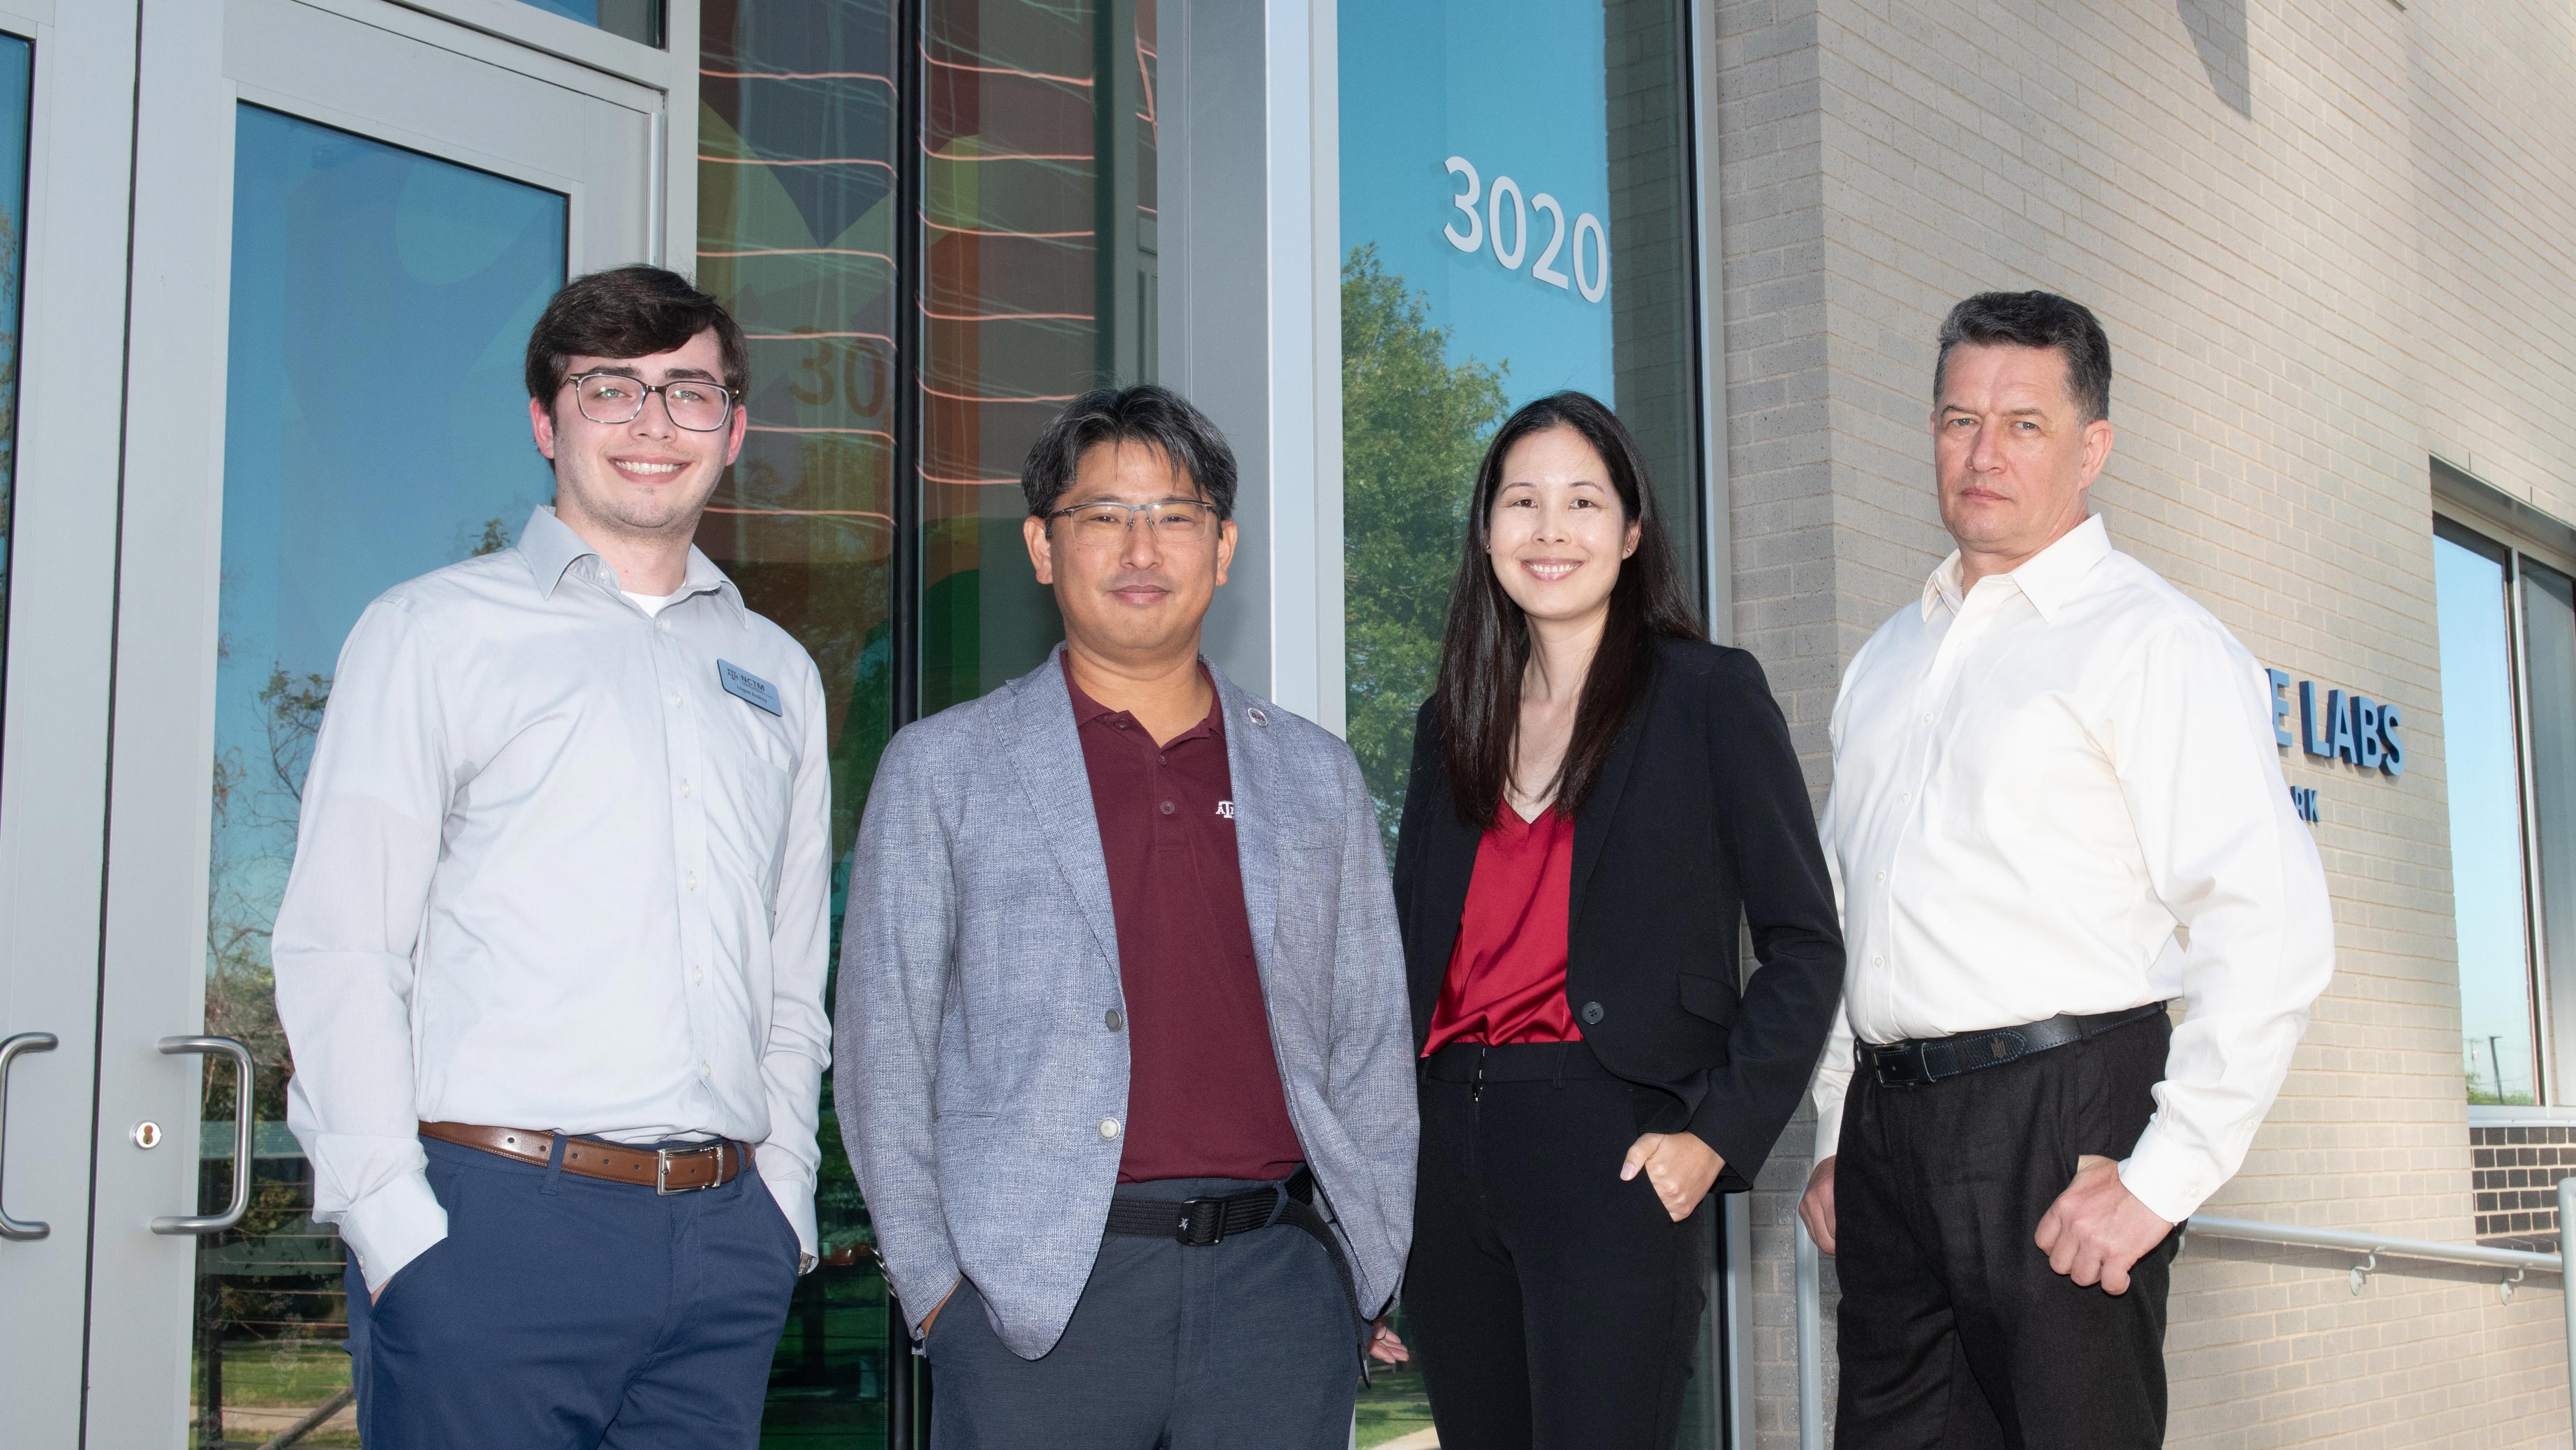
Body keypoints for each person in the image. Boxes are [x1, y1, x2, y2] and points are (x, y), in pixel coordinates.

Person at [272, 265, 831, 1448]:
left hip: (725, 1240)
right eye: (608, 388)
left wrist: (780, 1198)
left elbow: (789, 976)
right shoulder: (430, 632)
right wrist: (392, 1225)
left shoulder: (780, 674)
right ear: (545, 420)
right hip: (493, 1231)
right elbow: (342, 944)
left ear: (734, 428)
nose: (649, 423)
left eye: (687, 392)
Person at [1797, 291, 2335, 1447]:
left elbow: (2268, 925)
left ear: (2093, 446)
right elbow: (1854, 913)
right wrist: (1840, 1131)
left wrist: (2161, 1174)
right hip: (1889, 1132)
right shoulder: (1886, 659)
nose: (1981, 452)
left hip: (2062, 1114)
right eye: (1955, 419)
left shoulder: (2155, 643)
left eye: (2022, 423)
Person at [838, 383, 1417, 1450]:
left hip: (1275, 1296)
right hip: (1034, 1314)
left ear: (1223, 546)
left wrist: (1359, 1269)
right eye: (1102, 514)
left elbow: (1371, 1039)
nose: (1140, 544)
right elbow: (883, 1052)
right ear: (1043, 547)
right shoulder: (943, 767)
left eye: (1174, 515)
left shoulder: (1314, 774)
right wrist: (935, 1295)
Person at [1386, 391, 1845, 1449]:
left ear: (1632, 532)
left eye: (1582, 501)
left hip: (1610, 1139)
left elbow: (1804, 943)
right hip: (1447, 1149)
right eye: (1522, 501)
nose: (1550, 531)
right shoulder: (1446, 721)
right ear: (1486, 529)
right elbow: (1404, 967)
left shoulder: (1707, 695)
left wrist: (1714, 1136)